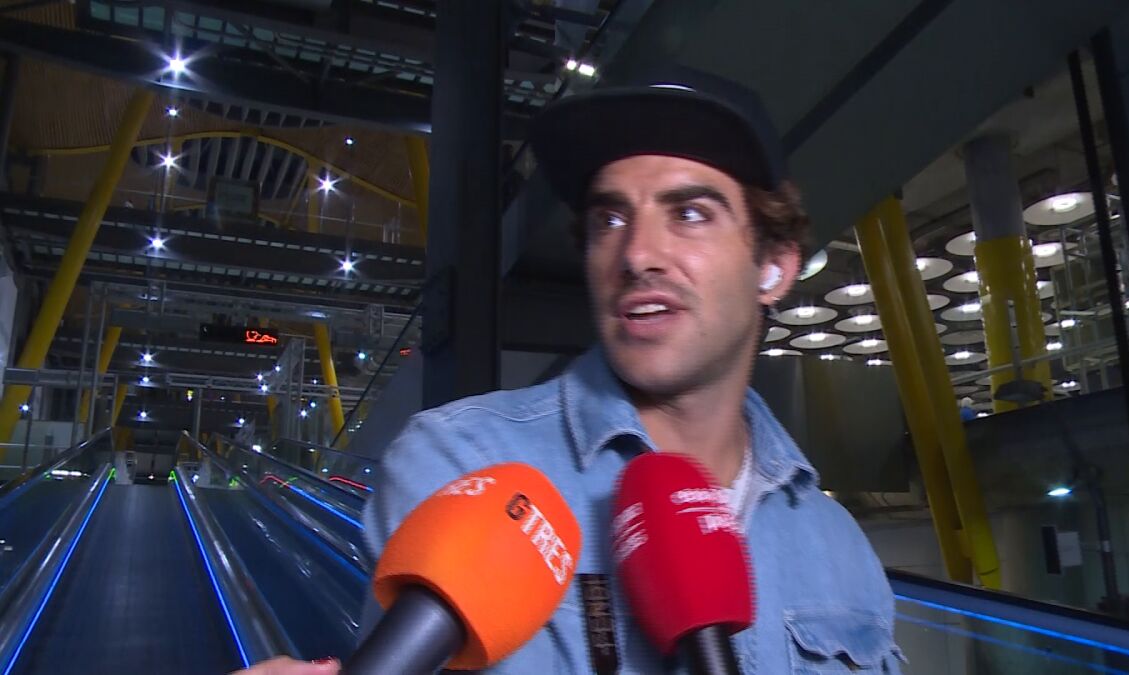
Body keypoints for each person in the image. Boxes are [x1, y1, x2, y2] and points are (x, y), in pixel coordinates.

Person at [241, 67, 901, 673]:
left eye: (690, 213)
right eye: (610, 217)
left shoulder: (840, 548)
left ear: (774, 267)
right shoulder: (459, 464)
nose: (637, 253)